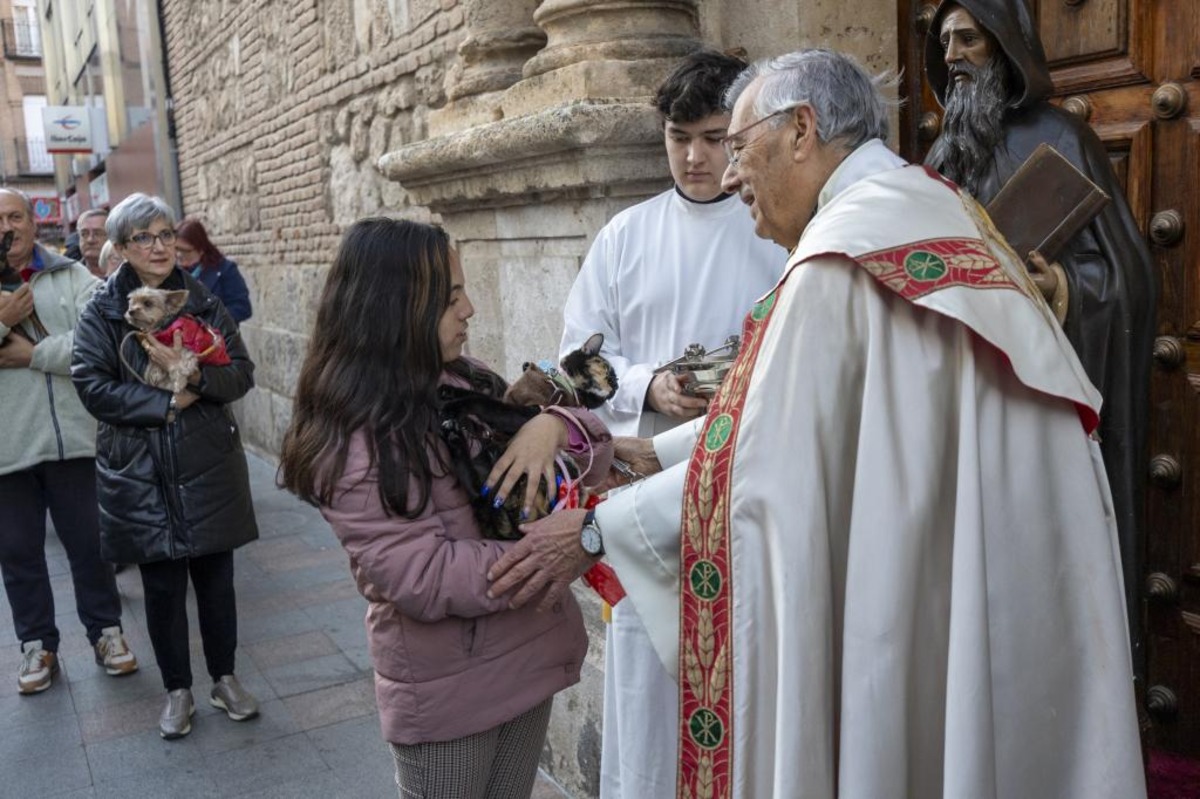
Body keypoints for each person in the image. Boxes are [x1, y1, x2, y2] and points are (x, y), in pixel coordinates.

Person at [489, 49, 1145, 798]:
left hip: (942, 573)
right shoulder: (923, 205)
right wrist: (648, 447)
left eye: (738, 147)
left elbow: (765, 467)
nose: (730, 175)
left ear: (801, 130)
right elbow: (796, 418)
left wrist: (595, 533)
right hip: (1009, 571)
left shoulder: (836, 261)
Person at [278, 218, 613, 799]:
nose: (471, 310)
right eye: (452, 297)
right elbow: (420, 575)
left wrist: (553, 426)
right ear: (396, 308)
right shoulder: (355, 435)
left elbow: (587, 457)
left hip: (526, 654)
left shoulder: (468, 383)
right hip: (449, 692)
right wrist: (549, 550)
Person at [558, 50, 784, 798]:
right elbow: (574, 364)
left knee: (749, 666)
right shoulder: (625, 236)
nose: (694, 156)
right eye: (677, 135)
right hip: (646, 488)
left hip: (748, 489)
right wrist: (644, 381)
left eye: (715, 137)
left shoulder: (778, 228)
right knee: (649, 678)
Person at [924, 0, 1157, 654]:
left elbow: (1127, 281)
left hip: (1044, 393)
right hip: (963, 392)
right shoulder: (944, 153)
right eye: (944, 42)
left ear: (1004, 45)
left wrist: (1061, 287)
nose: (951, 56)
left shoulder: (1063, 139)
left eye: (968, 38)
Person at [71, 193, 260, 739]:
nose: (159, 247)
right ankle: (178, 690)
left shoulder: (203, 301)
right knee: (161, 587)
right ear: (122, 248)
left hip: (207, 462)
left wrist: (195, 378)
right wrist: (166, 403)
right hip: (138, 469)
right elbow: (93, 387)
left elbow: (240, 373)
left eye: (164, 234)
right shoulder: (102, 312)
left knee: (217, 581)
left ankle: (224, 679)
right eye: (143, 238)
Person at [0, 188, 138, 695]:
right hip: (7, 449)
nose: (7, 228)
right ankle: (37, 644)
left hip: (74, 442)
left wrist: (30, 354)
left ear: (34, 224)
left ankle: (107, 633)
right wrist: (4, 321)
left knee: (90, 544)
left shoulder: (73, 276)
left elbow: (98, 345)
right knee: (17, 551)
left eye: (15, 216)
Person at [175, 218, 252, 323]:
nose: (179, 255)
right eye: (176, 249)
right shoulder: (170, 272)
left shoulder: (225, 269)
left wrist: (210, 319)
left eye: (185, 251)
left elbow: (242, 308)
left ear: (200, 249)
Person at [77, 208, 110, 279]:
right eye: (84, 234)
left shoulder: (132, 274)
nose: (90, 240)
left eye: (98, 233)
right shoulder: (69, 277)